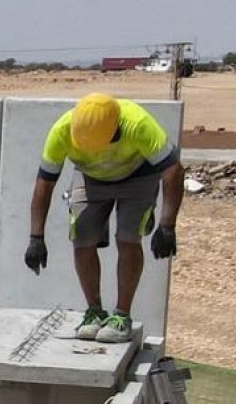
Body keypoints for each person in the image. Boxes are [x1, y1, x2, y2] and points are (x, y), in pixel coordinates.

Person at [23, 91, 185, 345]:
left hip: (138, 176)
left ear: (116, 131)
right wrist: (36, 237)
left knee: (128, 237)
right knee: (82, 237)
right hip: (90, 178)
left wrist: (167, 226)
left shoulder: (138, 124)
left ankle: (121, 316)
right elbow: (44, 185)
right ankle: (94, 312)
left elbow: (173, 172)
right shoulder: (62, 131)